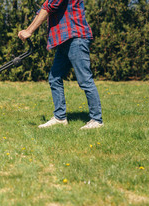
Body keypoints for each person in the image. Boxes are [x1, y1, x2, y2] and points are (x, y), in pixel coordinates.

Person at [18, 0, 103, 129]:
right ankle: (60, 117)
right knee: (54, 78)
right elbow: (44, 7)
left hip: (76, 38)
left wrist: (29, 31)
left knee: (85, 80)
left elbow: (48, 7)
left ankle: (97, 120)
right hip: (64, 40)